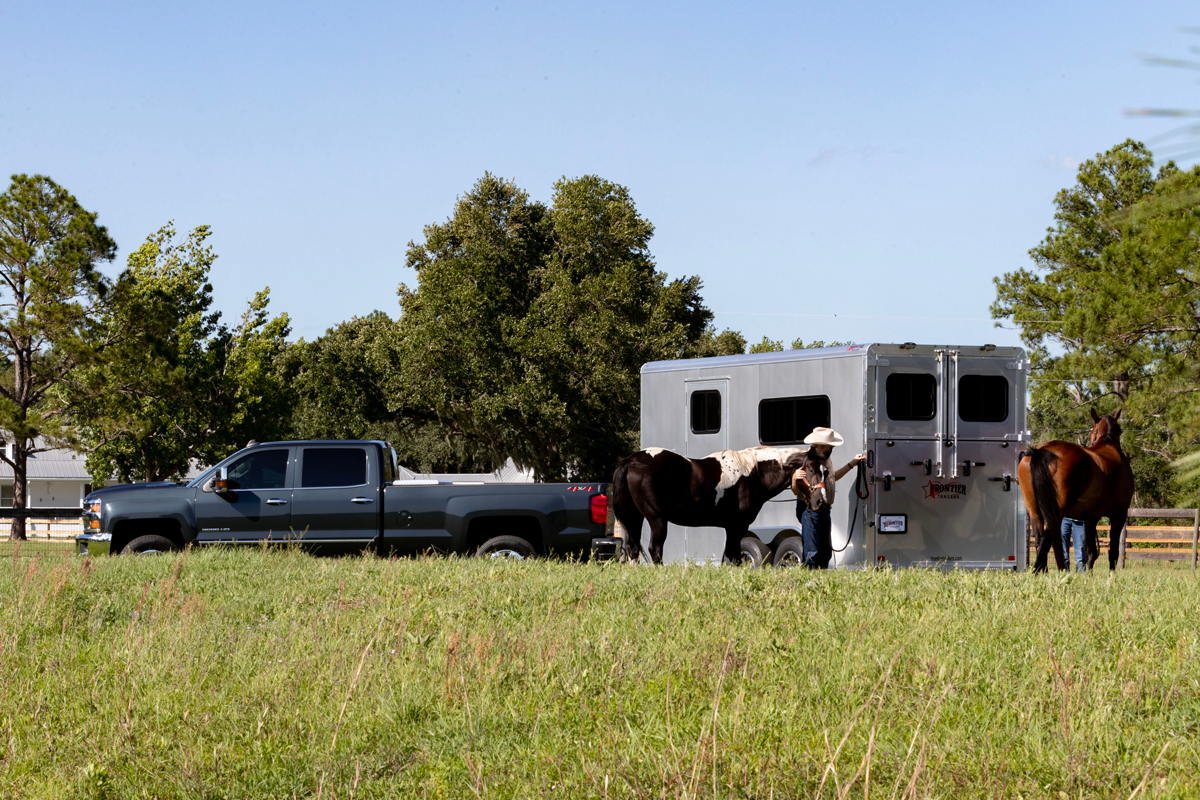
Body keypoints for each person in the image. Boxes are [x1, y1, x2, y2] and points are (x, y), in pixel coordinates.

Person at [791, 427, 866, 569]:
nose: (832, 447)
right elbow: (795, 491)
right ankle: (809, 585)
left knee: (825, 552)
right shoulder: (806, 460)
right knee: (812, 553)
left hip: (824, 510)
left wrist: (852, 464)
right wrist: (794, 479)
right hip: (810, 511)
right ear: (820, 446)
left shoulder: (826, 459)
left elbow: (833, 477)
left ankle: (822, 583)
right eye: (830, 445)